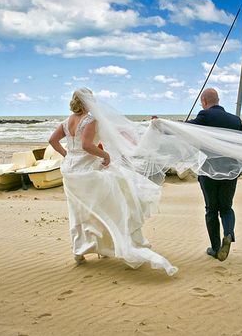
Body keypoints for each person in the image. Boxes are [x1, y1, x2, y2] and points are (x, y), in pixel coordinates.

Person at [48, 89, 178, 276]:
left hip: (70, 171)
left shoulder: (67, 121)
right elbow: (87, 145)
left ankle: (80, 251)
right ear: (88, 101)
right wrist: (105, 154)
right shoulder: (90, 120)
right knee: (115, 203)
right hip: (88, 171)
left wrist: (66, 154)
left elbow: (52, 140)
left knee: (79, 211)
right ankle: (120, 243)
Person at [187, 88, 242, 262]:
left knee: (211, 209)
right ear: (218, 100)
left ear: (204, 101)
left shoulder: (205, 116)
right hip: (231, 170)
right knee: (226, 208)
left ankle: (216, 248)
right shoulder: (235, 120)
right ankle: (228, 233)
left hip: (209, 171)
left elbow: (185, 128)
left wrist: (162, 125)